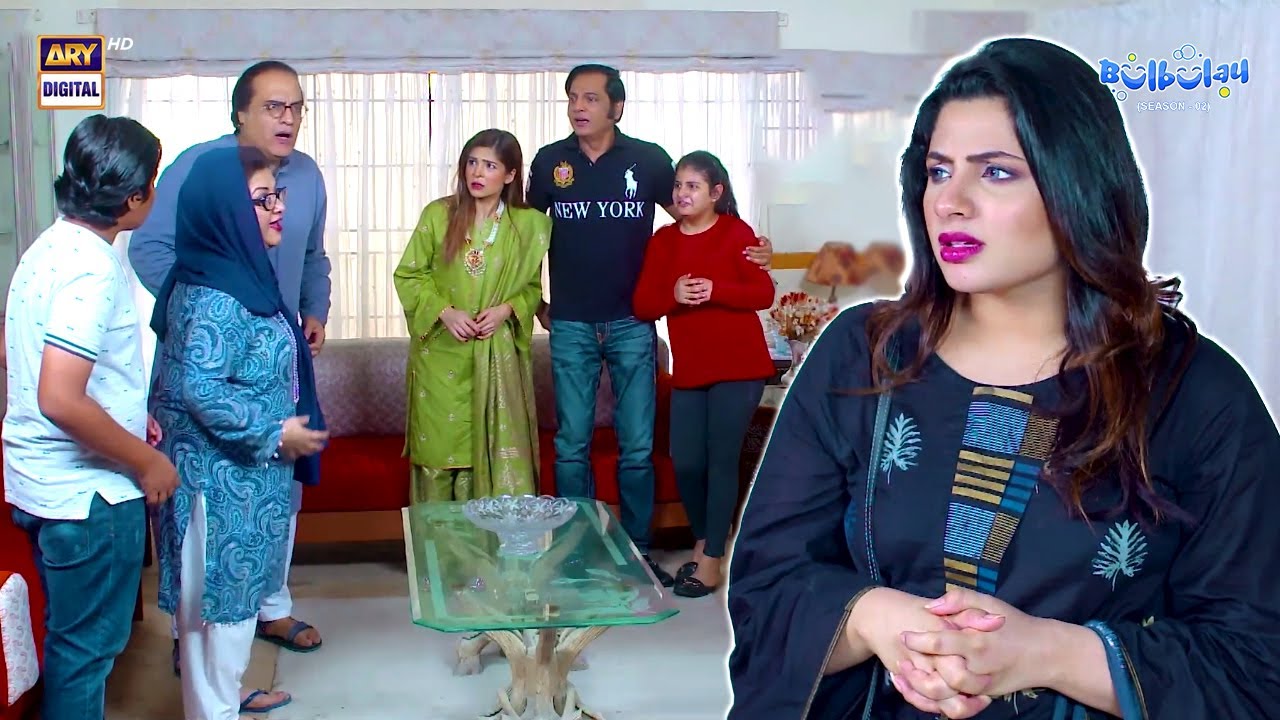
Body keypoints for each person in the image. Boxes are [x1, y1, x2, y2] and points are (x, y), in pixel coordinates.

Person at [726, 37, 1280, 719]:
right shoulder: (864, 355)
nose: (950, 203)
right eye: (938, 171)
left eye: (995, 173)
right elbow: (768, 589)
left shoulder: (1195, 393)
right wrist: (880, 619)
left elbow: (1254, 664)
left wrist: (1046, 652)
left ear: (1076, 187)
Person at [527, 63, 772, 584]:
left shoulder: (648, 160)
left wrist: (750, 249)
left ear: (616, 107)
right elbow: (524, 237)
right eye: (572, 98)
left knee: (637, 449)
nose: (578, 107)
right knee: (571, 446)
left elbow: (696, 217)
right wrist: (533, 301)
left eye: (591, 98)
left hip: (632, 324)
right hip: (570, 323)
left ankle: (636, 553)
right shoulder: (550, 162)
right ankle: (577, 553)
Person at [128, 59, 331, 667]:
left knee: (277, 483)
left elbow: (313, 255)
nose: (288, 118)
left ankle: (268, 605)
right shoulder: (202, 167)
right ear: (240, 112)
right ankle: (193, 631)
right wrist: (206, 307)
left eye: (296, 107)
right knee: (206, 501)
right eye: (273, 106)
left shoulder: (308, 176)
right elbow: (149, 246)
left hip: (278, 357)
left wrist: (313, 309)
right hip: (213, 361)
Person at [2, 114, 178, 720]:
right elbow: (59, 397)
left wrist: (124, 416)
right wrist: (146, 460)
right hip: (88, 499)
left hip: (38, 484)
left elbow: (20, 352)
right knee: (86, 655)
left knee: (69, 643)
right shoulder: (93, 268)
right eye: (152, 182)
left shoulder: (47, 247)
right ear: (133, 198)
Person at [633, 151, 774, 598]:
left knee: (720, 459)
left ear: (715, 193)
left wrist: (717, 289)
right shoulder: (663, 241)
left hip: (740, 367)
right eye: (678, 186)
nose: (681, 194)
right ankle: (706, 539)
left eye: (692, 186)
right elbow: (643, 304)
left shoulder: (736, 233)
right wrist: (673, 294)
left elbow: (763, 293)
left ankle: (712, 557)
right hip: (691, 371)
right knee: (688, 461)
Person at [393, 129, 551, 502]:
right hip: (441, 357)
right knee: (437, 453)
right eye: (472, 162)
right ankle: (437, 539)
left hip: (496, 355)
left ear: (510, 175)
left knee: (491, 457)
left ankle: (489, 539)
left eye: (490, 166)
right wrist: (444, 312)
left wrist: (506, 310)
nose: (477, 173)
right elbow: (409, 275)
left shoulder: (527, 226)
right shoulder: (438, 215)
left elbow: (531, 289)